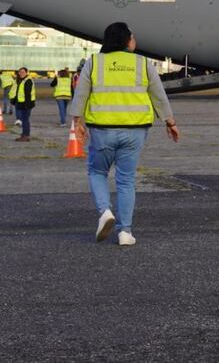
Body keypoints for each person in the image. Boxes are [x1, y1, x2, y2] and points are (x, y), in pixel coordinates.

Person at [71, 22, 179, 246]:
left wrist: (76, 120)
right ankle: (125, 232)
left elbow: (81, 94)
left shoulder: (94, 62)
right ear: (127, 41)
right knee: (126, 180)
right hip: (135, 130)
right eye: (133, 37)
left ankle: (105, 212)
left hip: (102, 129)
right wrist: (170, 121)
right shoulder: (142, 63)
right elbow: (158, 94)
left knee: (97, 171)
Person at [12, 66, 36, 141]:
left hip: (26, 104)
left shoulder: (27, 81)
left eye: (23, 72)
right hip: (20, 103)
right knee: (23, 120)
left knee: (25, 120)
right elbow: (18, 92)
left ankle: (26, 135)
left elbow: (28, 94)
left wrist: (27, 105)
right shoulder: (20, 80)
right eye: (20, 72)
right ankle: (24, 134)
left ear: (26, 73)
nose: (21, 73)